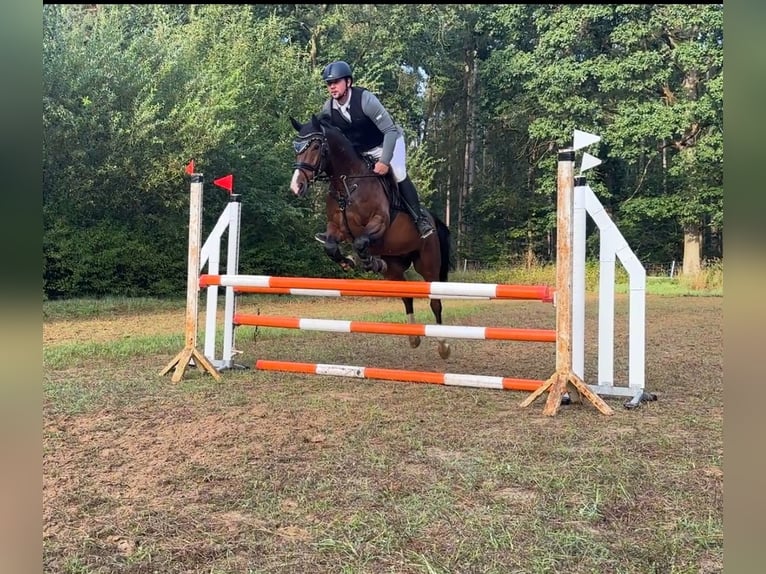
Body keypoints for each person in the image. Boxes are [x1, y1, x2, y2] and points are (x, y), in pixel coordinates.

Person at [314, 60, 434, 242]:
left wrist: (385, 161)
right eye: (329, 84)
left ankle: (420, 219)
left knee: (399, 173)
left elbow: (390, 131)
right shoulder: (328, 109)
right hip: (361, 150)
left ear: (348, 82)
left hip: (387, 142)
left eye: (336, 82)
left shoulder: (365, 100)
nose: (332, 87)